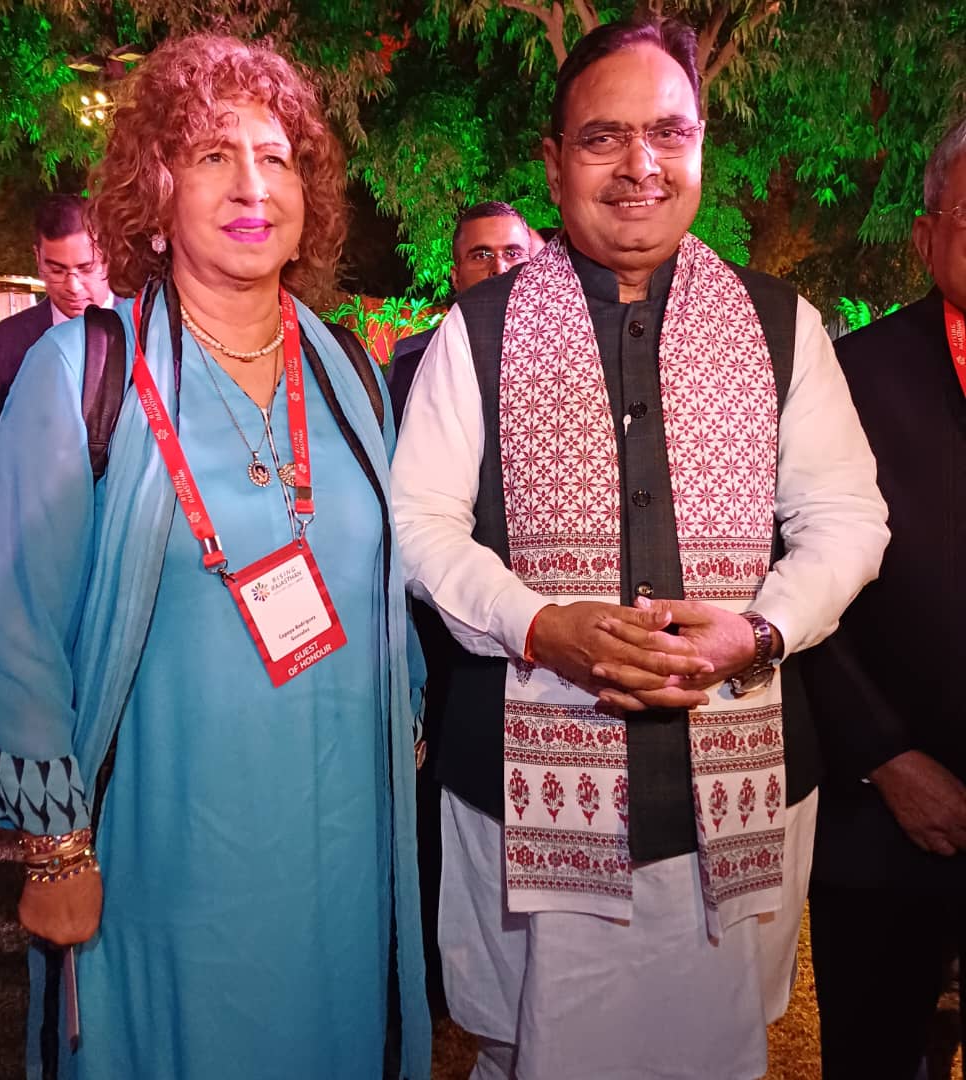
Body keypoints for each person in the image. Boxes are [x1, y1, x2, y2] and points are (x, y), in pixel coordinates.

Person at [392, 16, 889, 1080]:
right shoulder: (476, 332)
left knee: (717, 1048)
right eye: (603, 137)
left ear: (701, 144)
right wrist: (540, 628)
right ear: (553, 162)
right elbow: (419, 523)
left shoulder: (781, 325)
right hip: (520, 778)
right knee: (523, 1045)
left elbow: (849, 518)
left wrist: (760, 631)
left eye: (668, 132)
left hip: (742, 778)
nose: (639, 166)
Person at [0, 34, 429, 1080]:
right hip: (162, 849)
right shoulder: (82, 372)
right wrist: (55, 849)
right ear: (156, 190)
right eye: (213, 155)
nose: (251, 185)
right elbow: (18, 625)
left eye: (276, 158)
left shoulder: (350, 372)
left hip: (343, 844)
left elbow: (392, 588)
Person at [803, 115, 966, 1080]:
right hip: (883, 814)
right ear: (925, 235)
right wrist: (886, 757)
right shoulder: (848, 377)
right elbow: (796, 580)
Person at [0, 194, 115, 476]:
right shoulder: (4, 342)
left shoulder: (146, 328)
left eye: (86, 268)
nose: (73, 286)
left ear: (109, 256)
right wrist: (29, 483)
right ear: (38, 259)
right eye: (57, 270)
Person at [387, 202, 531, 427]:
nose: (499, 268)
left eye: (512, 253)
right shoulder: (413, 361)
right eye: (481, 255)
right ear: (456, 277)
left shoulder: (567, 354)